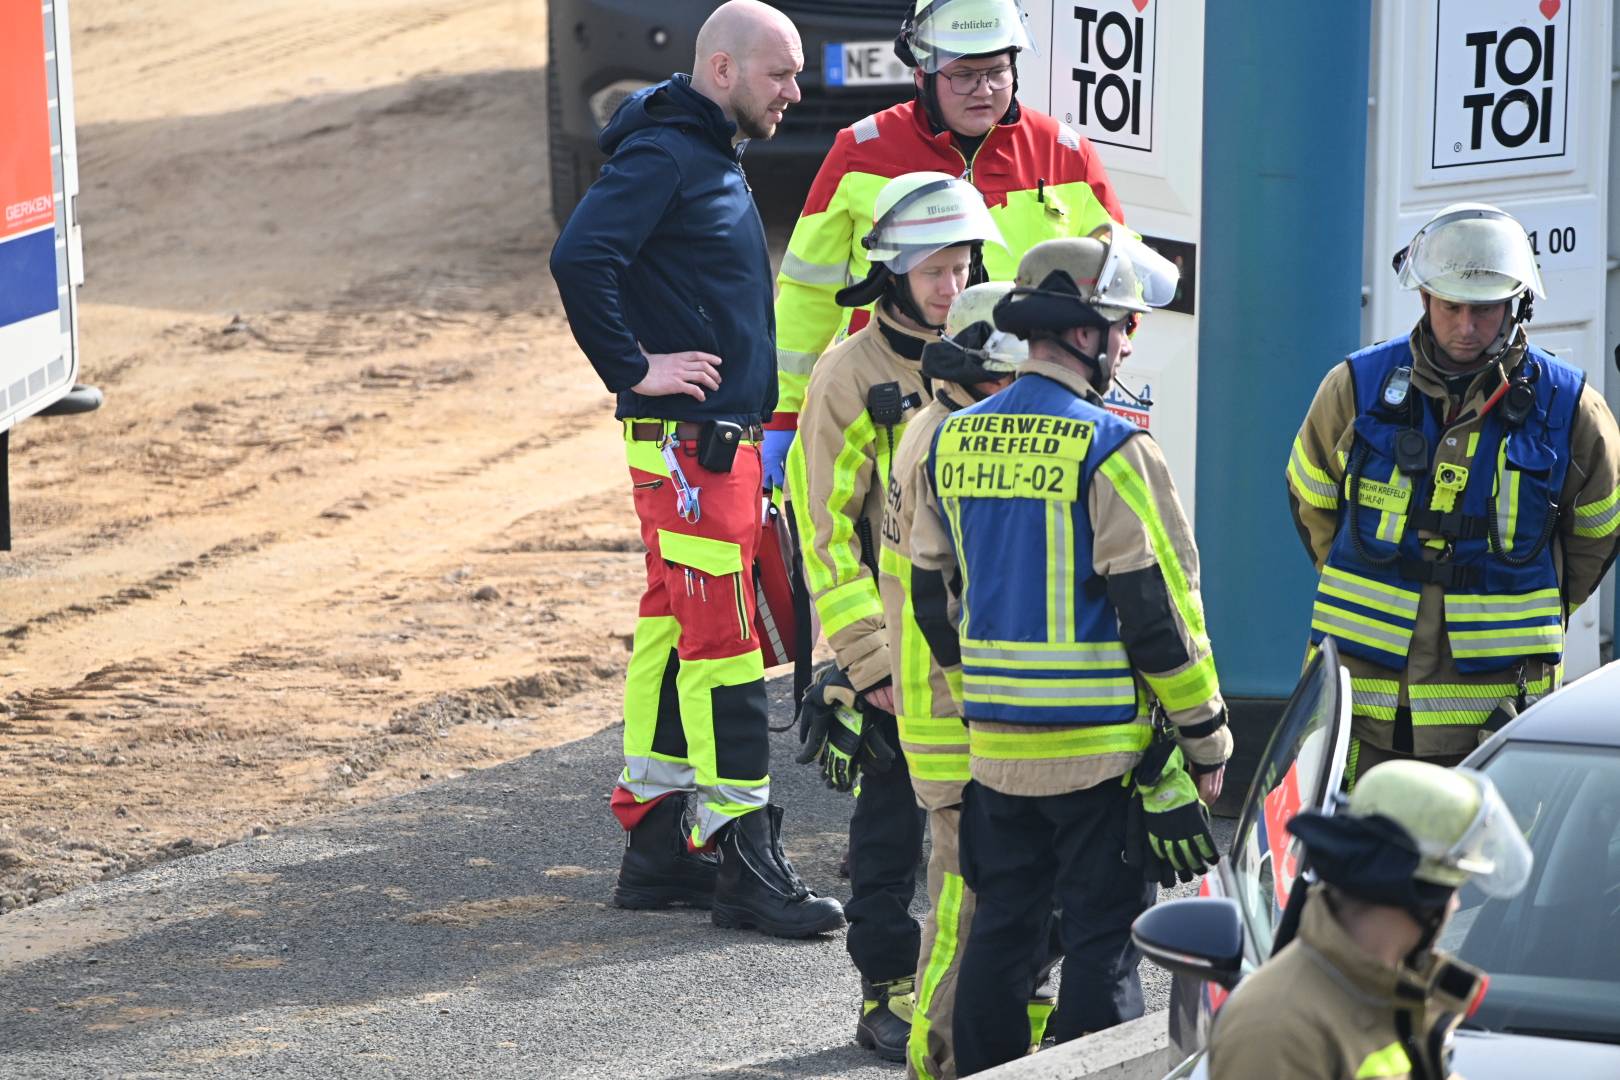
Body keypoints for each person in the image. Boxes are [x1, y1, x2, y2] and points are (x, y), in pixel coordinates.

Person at [548, 0, 843, 939]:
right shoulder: (668, 154)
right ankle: (746, 857)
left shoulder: (704, 148)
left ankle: (660, 844)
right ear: (721, 70)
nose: (798, 92)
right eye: (781, 75)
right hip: (690, 449)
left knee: (674, 635)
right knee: (722, 650)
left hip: (714, 449)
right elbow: (579, 255)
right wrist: (636, 369)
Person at [910, 233, 1231, 1075]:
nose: (1127, 342)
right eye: (1122, 325)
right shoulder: (1113, 448)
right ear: (1087, 334)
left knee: (1002, 933)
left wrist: (978, 694)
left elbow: (929, 596)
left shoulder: (953, 438)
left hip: (996, 753)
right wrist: (1205, 739)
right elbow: (1158, 614)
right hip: (1097, 758)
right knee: (1103, 946)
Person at [1286, 204, 1620, 787]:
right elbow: (1311, 497)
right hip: (1362, 706)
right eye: (1451, 306)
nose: (1466, 326)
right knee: (1348, 868)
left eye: (1485, 309)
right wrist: (1365, 573)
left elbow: (1598, 530)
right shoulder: (1356, 387)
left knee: (1476, 871)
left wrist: (1537, 600)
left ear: (1517, 304)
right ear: (1424, 300)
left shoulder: (1571, 409)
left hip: (1496, 717)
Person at [788, 172, 1003, 1061]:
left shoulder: (999, 358)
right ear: (890, 272)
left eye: (962, 268)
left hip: (985, 653)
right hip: (895, 662)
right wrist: (866, 663)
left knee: (990, 832)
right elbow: (823, 532)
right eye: (932, 272)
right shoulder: (851, 375)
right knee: (888, 833)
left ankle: (980, 984)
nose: (951, 289)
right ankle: (886, 989)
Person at [761, 0, 1127, 491]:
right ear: (922, 75)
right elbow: (808, 293)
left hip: (1024, 406)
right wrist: (782, 415)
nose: (985, 89)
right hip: (889, 405)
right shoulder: (861, 151)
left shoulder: (1066, 155)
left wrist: (1083, 368)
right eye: (964, 75)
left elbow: (1119, 280)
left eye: (998, 71)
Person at [877, 282, 1053, 1079]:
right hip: (958, 722)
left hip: (951, 712)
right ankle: (936, 1061)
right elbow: (948, 600)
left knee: (1004, 911)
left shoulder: (936, 424)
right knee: (962, 911)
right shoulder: (951, 442)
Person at [1207, 760, 1533, 1080]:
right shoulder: (1276, 1031)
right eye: (1453, 888)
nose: (1456, 903)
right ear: (1420, 899)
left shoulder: (1397, 997)